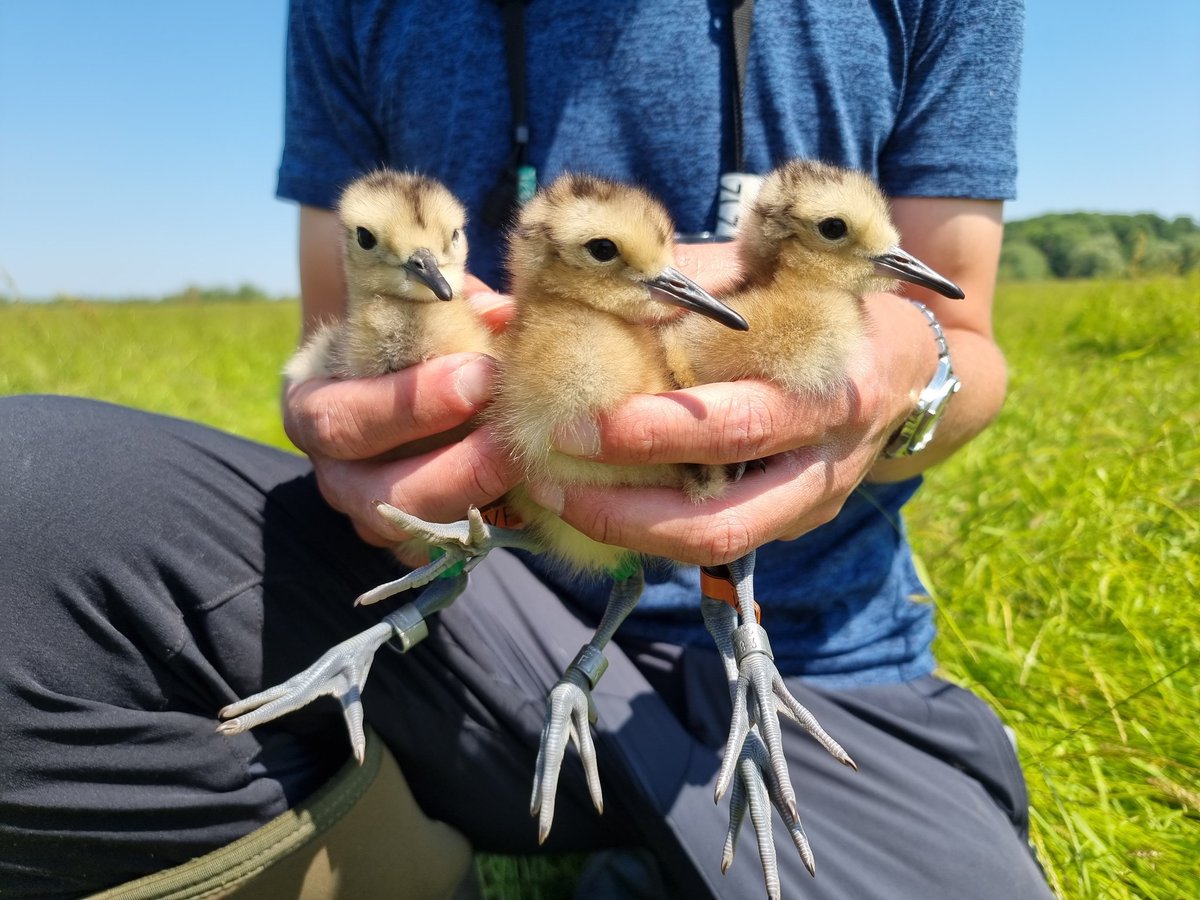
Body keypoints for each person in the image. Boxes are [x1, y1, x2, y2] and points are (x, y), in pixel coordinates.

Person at [0, 1, 1052, 898]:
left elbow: (961, 330)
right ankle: (401, 845)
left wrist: (903, 374)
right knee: (28, 500)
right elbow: (348, 329)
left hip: (827, 667)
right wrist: (365, 441)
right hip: (485, 615)